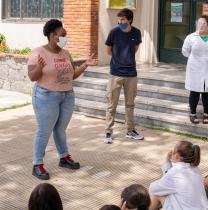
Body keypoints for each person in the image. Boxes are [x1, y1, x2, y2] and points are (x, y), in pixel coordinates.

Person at [28, 19, 98, 180]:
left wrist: (85, 65)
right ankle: (37, 164)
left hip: (67, 96)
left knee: (60, 129)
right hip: (46, 96)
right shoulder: (38, 52)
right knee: (44, 131)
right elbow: (32, 76)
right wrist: (39, 67)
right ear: (53, 35)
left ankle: (64, 157)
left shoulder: (65, 53)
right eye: (63, 34)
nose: (65, 37)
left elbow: (72, 75)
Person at [104, 8, 143, 144]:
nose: (120, 22)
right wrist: (119, 58)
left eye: (123, 20)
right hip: (115, 73)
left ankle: (130, 130)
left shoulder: (136, 33)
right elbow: (108, 50)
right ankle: (108, 132)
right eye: (119, 20)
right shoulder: (113, 32)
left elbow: (135, 49)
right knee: (111, 104)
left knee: (130, 104)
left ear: (130, 20)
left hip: (131, 74)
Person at [182, 15, 208, 124]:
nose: (201, 25)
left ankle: (206, 114)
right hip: (195, 68)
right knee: (194, 92)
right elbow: (185, 52)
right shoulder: (190, 37)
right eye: (199, 23)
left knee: (207, 92)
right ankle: (193, 114)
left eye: (203, 23)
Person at [149, 141, 208, 210]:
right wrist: (168, 161)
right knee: (167, 191)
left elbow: (153, 189)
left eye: (173, 150)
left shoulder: (175, 172)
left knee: (156, 194)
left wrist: (167, 161)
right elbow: (170, 181)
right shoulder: (196, 169)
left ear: (177, 157)